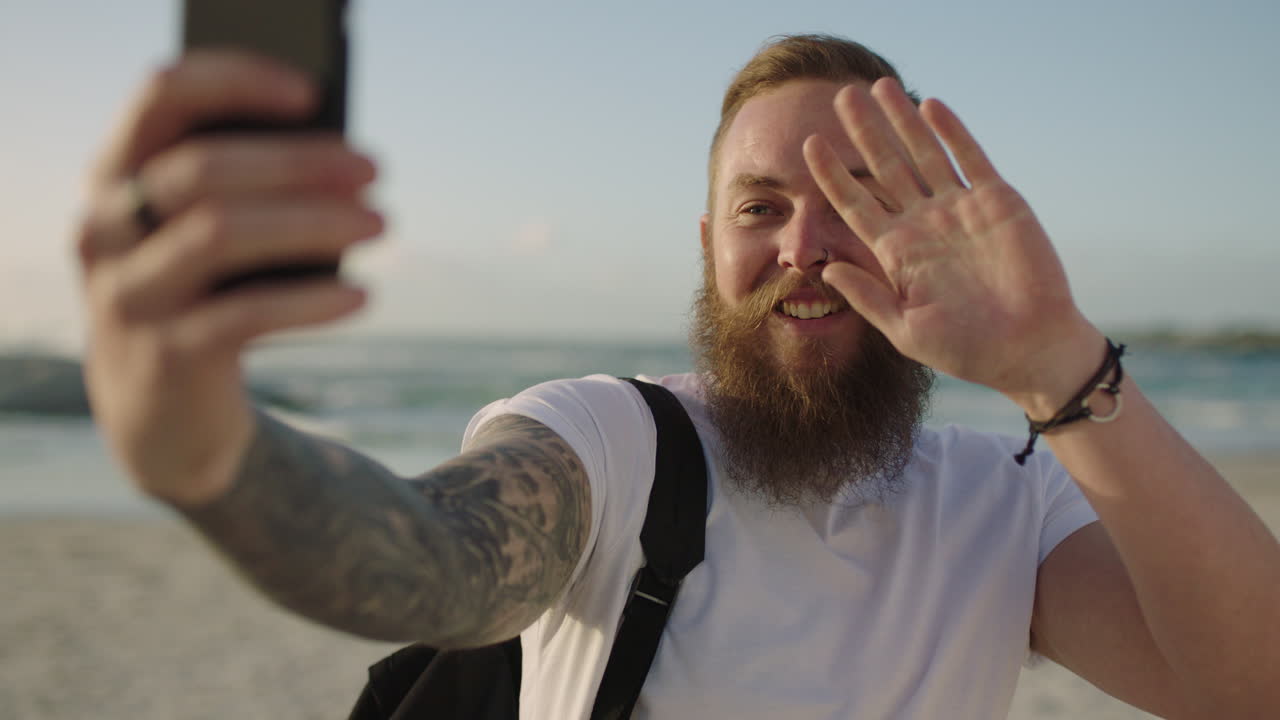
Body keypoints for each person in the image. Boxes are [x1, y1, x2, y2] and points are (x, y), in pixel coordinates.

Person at [74, 34, 1280, 719]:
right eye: (761, 207)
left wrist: (1052, 362)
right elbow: (431, 568)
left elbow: (1248, 686)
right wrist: (211, 454)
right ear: (709, 246)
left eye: (856, 200)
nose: (803, 245)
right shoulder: (609, 436)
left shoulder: (1004, 500)